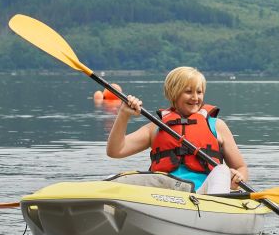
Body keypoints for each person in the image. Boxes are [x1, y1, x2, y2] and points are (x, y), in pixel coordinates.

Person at [105, 66, 249, 194]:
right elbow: (115, 151)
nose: (195, 98)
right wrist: (123, 114)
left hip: (203, 195)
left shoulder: (217, 126)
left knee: (222, 171)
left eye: (199, 92)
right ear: (174, 93)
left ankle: (216, 212)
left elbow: (240, 167)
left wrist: (237, 177)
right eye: (188, 92)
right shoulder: (156, 127)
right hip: (164, 193)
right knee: (113, 179)